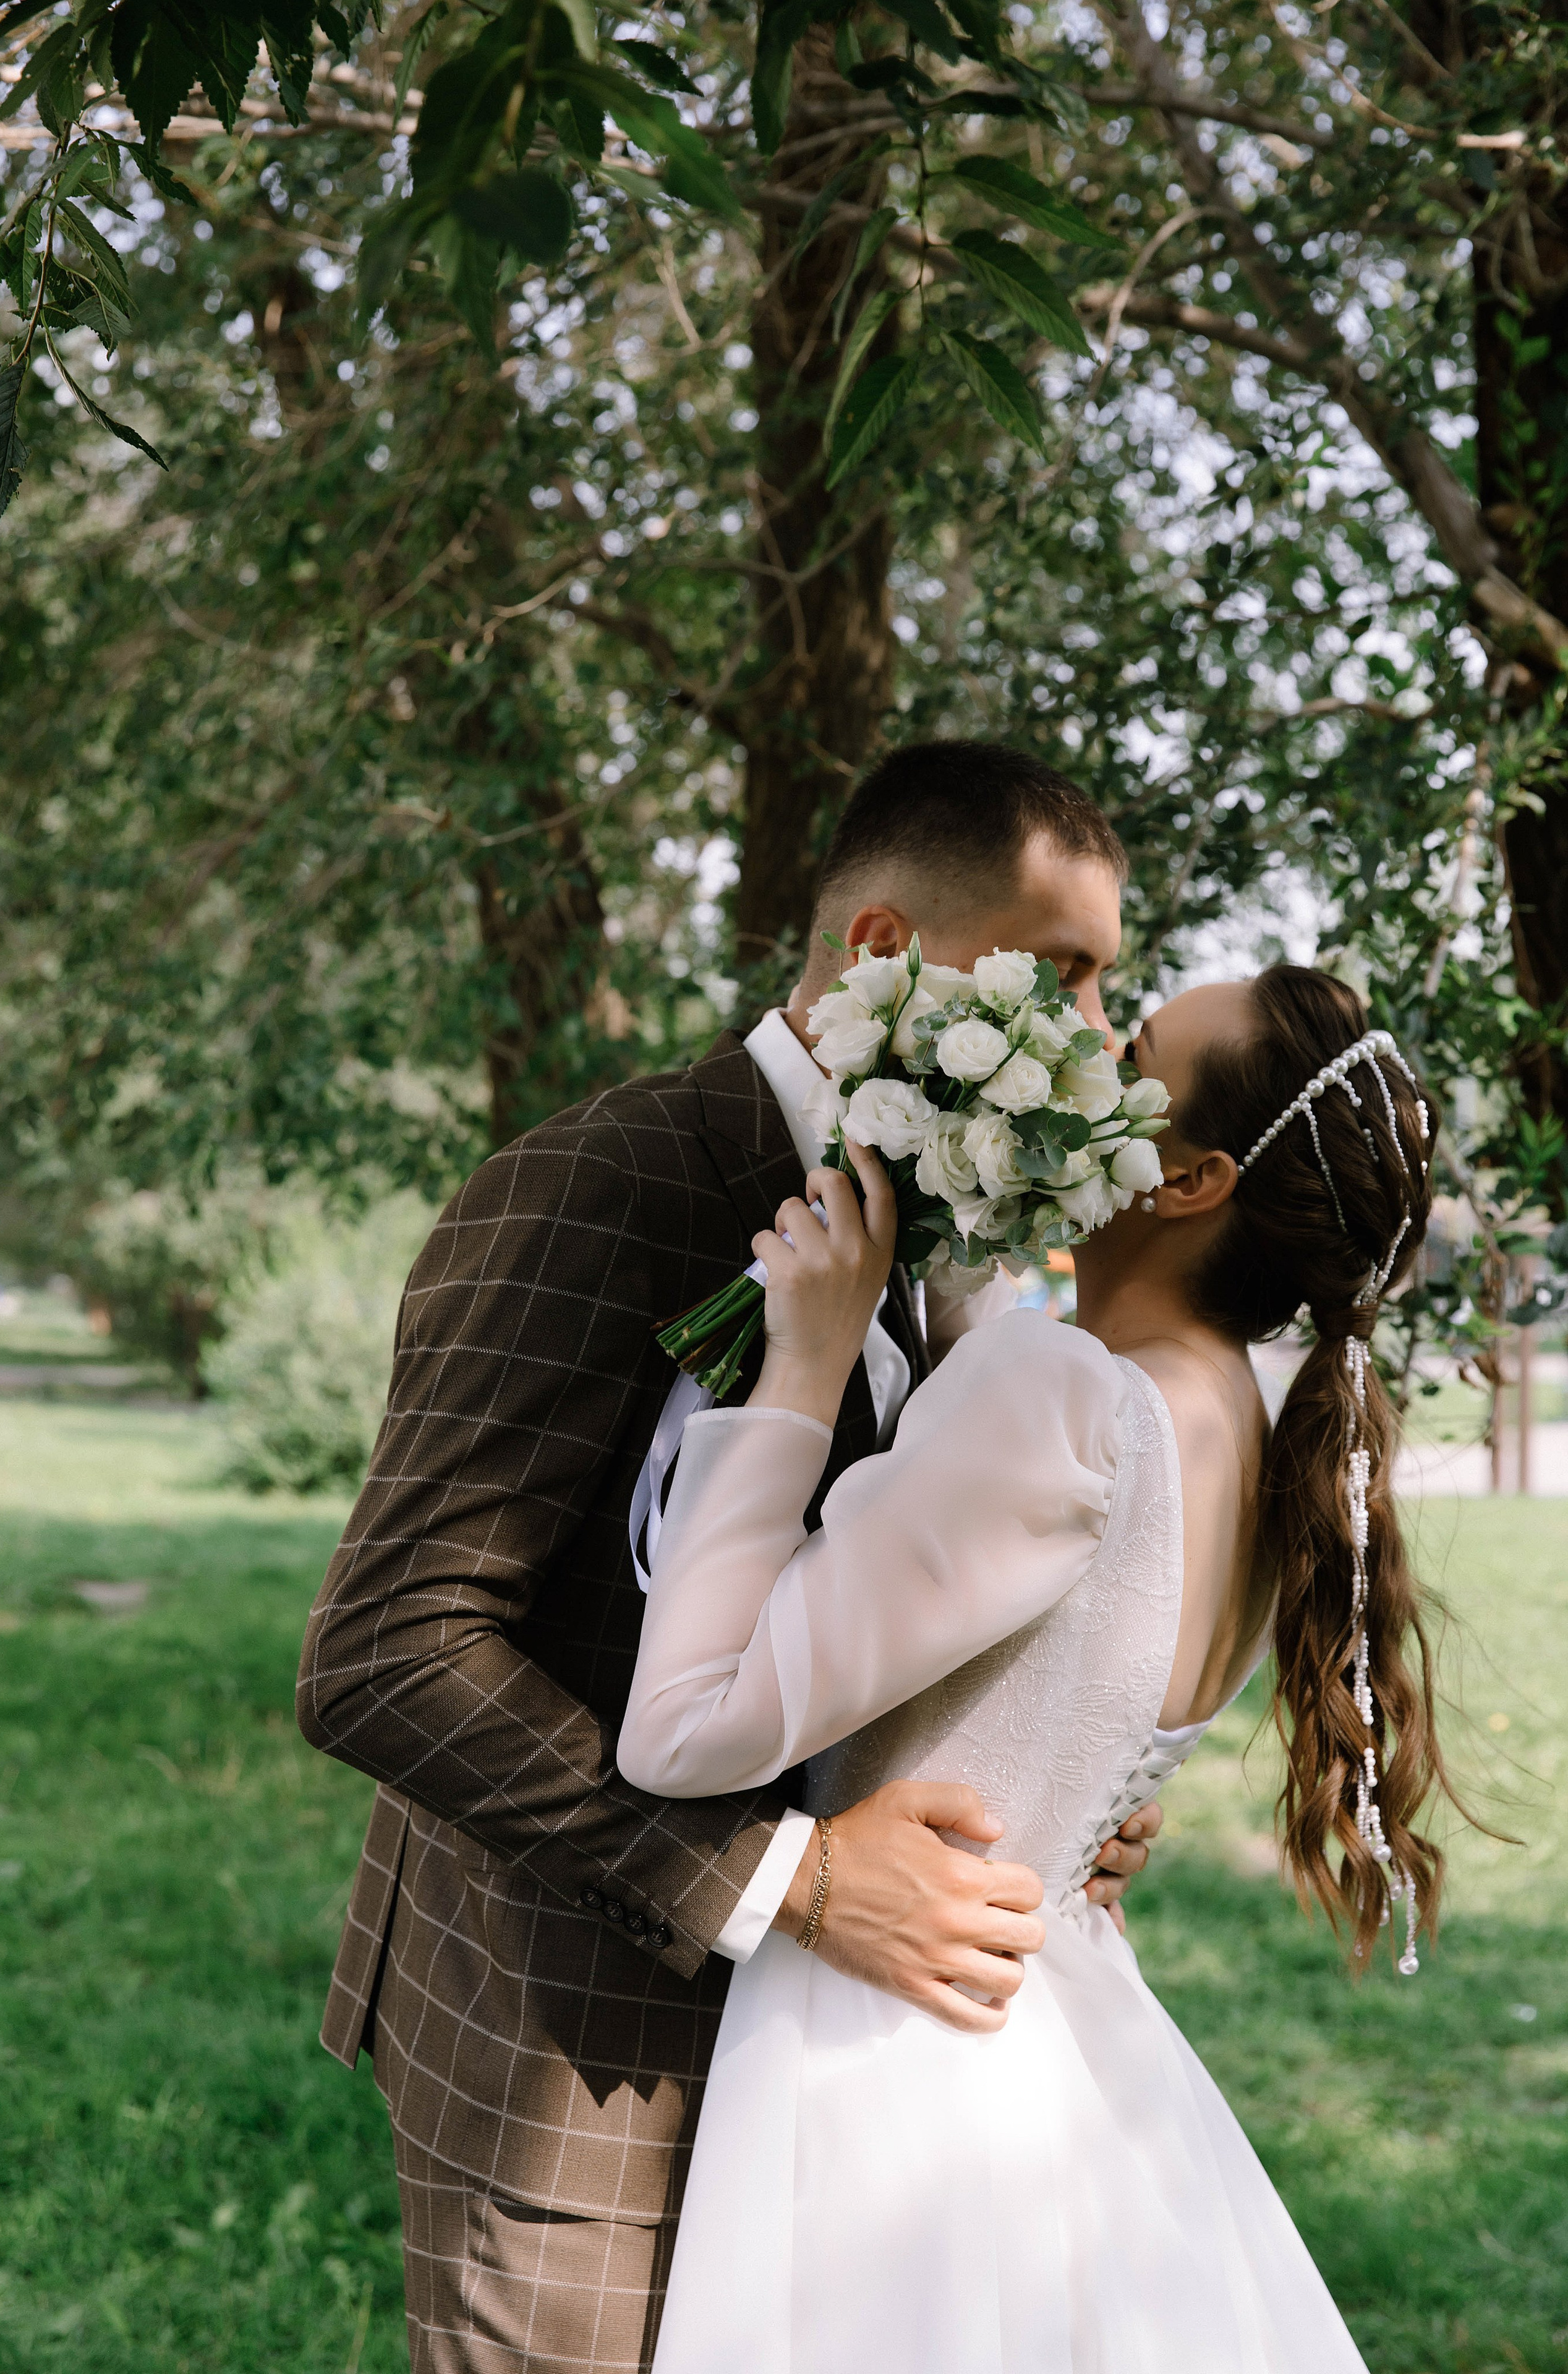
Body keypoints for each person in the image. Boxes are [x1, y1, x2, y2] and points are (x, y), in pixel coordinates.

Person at [296, 741, 1161, 2374]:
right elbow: (388, 1653)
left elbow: (836, 1604)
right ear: (893, 954)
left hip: (786, 2084)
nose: (1103, 1041)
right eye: (1068, 977)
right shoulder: (598, 1188)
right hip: (571, 2075)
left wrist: (1061, 1785)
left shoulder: (902, 1219)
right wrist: (798, 1880)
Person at [617, 964, 1460, 2372]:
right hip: (1057, 2025)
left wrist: (807, 1361)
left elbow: (683, 1731)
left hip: (889, 2050)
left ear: (1188, 1181)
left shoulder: (1064, 1395)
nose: (1081, 1046)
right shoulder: (1256, 1432)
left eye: (1126, 1047)